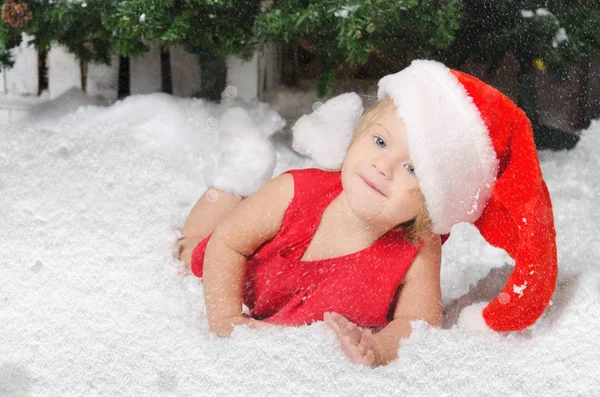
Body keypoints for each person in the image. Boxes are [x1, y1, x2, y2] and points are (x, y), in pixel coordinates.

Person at [177, 60, 559, 368]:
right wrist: (226, 318)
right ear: (358, 136)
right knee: (190, 248)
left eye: (412, 169)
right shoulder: (296, 189)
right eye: (379, 141)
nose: (382, 166)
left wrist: (379, 348)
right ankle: (235, 177)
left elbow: (418, 323)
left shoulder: (419, 247)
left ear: (433, 203)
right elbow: (226, 246)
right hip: (238, 262)